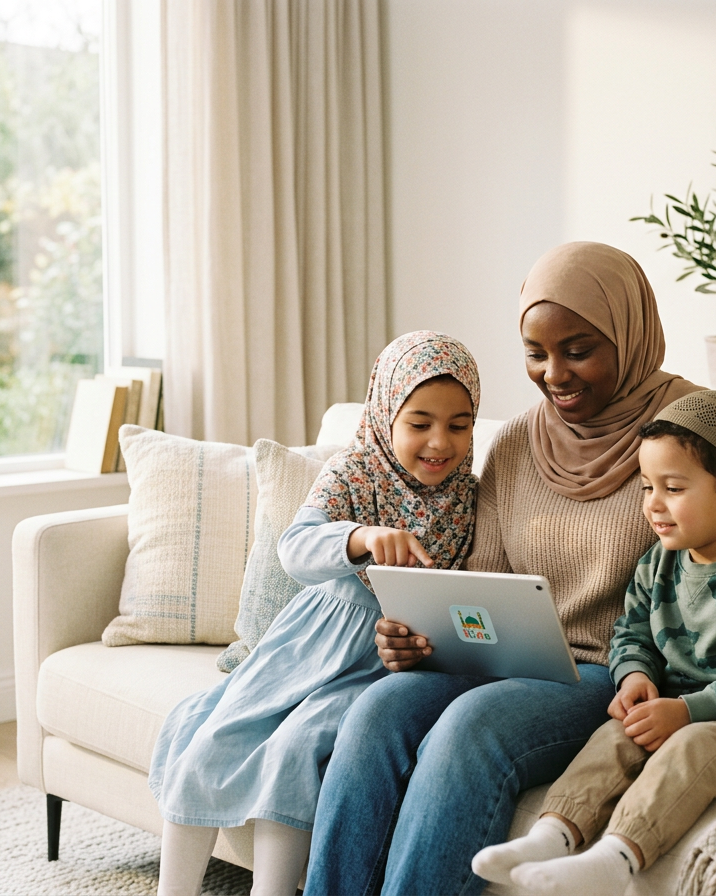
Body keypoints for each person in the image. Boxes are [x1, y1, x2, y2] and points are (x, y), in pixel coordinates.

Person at [303, 242, 716, 896]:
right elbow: (485, 578)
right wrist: (424, 638)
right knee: (379, 708)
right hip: (510, 658)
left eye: (578, 350)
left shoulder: (700, 431)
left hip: (618, 672)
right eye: (535, 353)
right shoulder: (519, 441)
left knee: (472, 727)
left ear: (629, 335)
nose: (554, 374)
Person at [148, 331, 481, 896]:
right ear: (385, 414)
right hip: (311, 641)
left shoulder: (472, 497)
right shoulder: (354, 471)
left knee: (299, 749)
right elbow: (295, 548)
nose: (439, 442)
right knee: (208, 728)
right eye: (419, 422)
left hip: (384, 662)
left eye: (459, 424)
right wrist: (360, 537)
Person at [471, 390, 716, 895]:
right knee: (619, 732)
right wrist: (636, 676)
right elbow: (631, 631)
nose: (654, 505)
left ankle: (617, 858)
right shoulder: (659, 562)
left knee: (694, 744)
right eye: (647, 488)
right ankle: (552, 835)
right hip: (684, 708)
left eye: (673, 488)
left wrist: (686, 712)